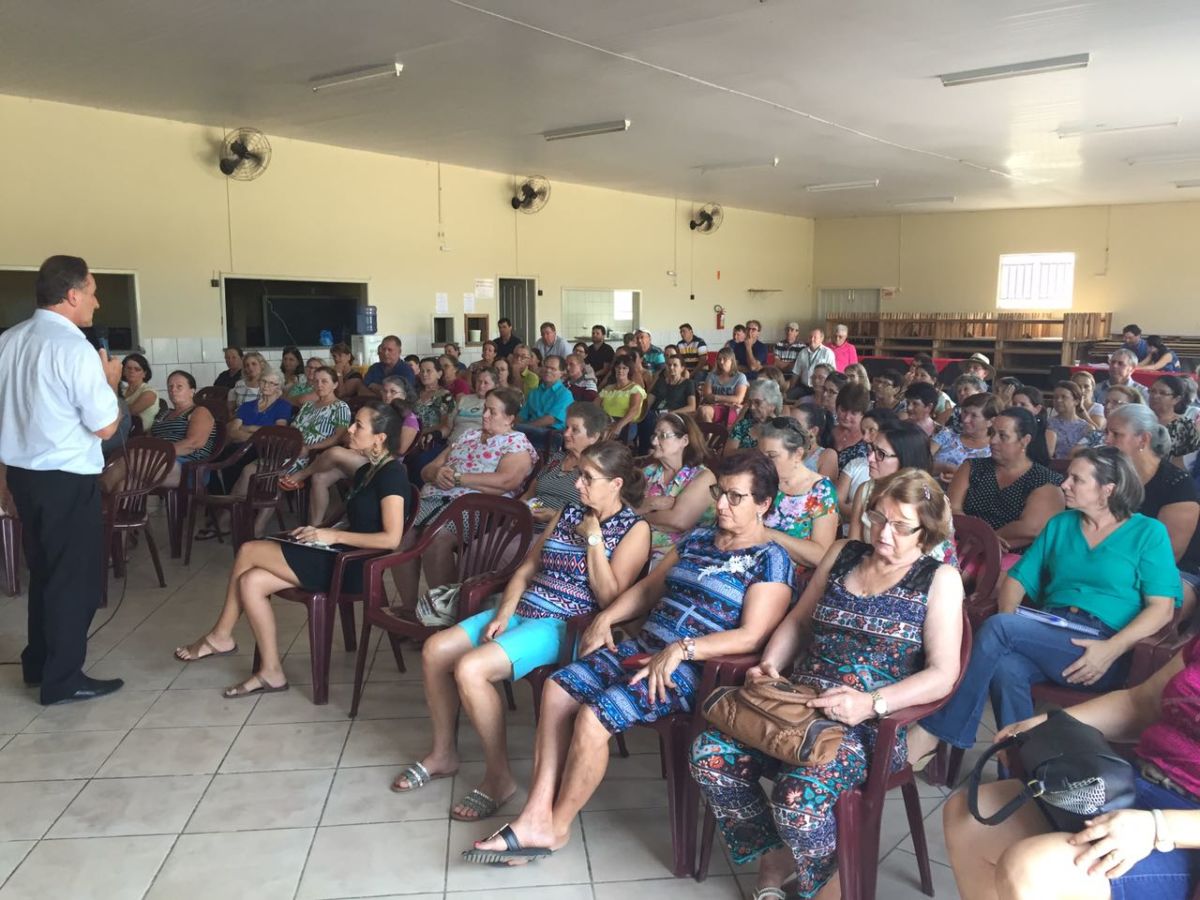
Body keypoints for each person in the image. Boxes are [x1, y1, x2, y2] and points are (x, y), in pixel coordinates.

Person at [464, 451, 795, 866]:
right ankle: (534, 811)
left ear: (764, 504)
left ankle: (555, 827)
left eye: (735, 497)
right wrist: (606, 618)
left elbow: (753, 634)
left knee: (593, 715)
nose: (722, 505)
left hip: (692, 670)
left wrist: (682, 649)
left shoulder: (771, 559)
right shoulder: (697, 539)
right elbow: (648, 590)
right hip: (645, 649)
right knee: (556, 689)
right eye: (718, 493)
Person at [691, 470, 963, 900]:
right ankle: (776, 853)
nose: (883, 533)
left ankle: (828, 881)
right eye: (878, 518)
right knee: (710, 757)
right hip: (798, 707)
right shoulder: (843, 554)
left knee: (796, 801)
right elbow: (798, 621)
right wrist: (770, 665)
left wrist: (871, 703)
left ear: (925, 532)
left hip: (866, 726)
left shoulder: (938, 580)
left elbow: (943, 674)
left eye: (900, 526)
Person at [392, 440, 650, 819]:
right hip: (524, 609)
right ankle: (444, 752)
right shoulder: (569, 511)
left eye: (588, 478)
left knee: (471, 669)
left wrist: (594, 538)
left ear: (615, 485)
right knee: (435, 651)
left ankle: (498, 778)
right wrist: (504, 611)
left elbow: (612, 598)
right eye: (579, 475)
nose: (578, 484)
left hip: (562, 624)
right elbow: (529, 567)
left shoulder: (634, 529)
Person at [908, 447, 1180, 762]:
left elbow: (1162, 609)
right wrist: (1008, 633)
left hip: (1103, 648)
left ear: (1109, 490)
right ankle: (1024, 769)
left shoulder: (1148, 532)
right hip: (1050, 631)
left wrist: (1113, 648)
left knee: (998, 630)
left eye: (1077, 479)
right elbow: (1016, 581)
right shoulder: (1062, 524)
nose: (1064, 484)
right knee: (1006, 665)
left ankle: (937, 731)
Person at [173, 402, 410, 697]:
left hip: (354, 567)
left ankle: (220, 636)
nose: (350, 429)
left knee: (248, 550)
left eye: (358, 425)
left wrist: (331, 536)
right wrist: (318, 533)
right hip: (339, 553)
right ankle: (271, 672)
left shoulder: (392, 476)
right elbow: (356, 519)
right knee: (251, 581)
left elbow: (391, 539)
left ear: (380, 438)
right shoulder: (368, 471)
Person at [942, 640, 1200, 900]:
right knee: (969, 814)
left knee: (1033, 872)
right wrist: (1041, 726)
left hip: (1186, 833)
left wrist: (1158, 827)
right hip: (1139, 780)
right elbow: (1140, 704)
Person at [0, 255, 124, 705]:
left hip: (24, 477)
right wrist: (110, 381)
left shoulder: (9, 341)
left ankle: (39, 664)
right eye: (92, 290)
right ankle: (63, 679)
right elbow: (106, 427)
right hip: (66, 478)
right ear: (72, 295)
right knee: (73, 580)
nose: (96, 299)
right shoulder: (73, 348)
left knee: (45, 573)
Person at [392, 387, 537, 608]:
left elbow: (506, 481)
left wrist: (459, 479)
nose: (485, 415)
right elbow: (427, 470)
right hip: (436, 498)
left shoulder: (516, 443)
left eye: (492, 412)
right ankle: (409, 609)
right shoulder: (468, 435)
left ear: (510, 418)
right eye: (484, 410)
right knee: (401, 537)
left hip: (478, 506)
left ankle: (444, 613)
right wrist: (437, 474)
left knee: (437, 540)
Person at [948, 407, 1064, 558]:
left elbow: (1030, 529)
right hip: (963, 543)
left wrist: (987, 540)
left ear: (1024, 441)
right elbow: (951, 509)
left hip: (1012, 554)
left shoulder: (1044, 481)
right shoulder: (972, 467)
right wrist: (976, 537)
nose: (993, 440)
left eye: (1003, 436)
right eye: (992, 433)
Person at [1105, 404, 1200, 578]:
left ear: (1143, 440)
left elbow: (1168, 554)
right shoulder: (1108, 474)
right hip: (1106, 560)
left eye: (1116, 434)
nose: (1107, 440)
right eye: (1107, 433)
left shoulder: (1177, 485)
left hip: (1168, 571)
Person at [850, 421, 958, 565]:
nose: (870, 458)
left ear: (905, 459)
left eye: (881, 454)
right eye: (871, 449)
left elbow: (930, 560)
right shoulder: (866, 490)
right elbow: (853, 548)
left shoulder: (930, 500)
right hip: (873, 569)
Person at [755, 417, 840, 570]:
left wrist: (769, 535)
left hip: (792, 577)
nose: (763, 462)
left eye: (772, 456)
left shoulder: (821, 491)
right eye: (761, 456)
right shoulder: (761, 480)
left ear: (797, 454)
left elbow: (821, 555)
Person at [638, 412, 717, 565]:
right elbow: (621, 508)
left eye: (663, 436)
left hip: (682, 555)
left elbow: (679, 520)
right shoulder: (648, 472)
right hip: (639, 548)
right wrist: (651, 504)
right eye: (654, 435)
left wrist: (640, 513)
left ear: (684, 440)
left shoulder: (703, 477)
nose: (654, 441)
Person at [519, 402, 610, 528]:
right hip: (525, 525)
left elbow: (596, 520)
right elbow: (530, 493)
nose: (566, 434)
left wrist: (555, 515)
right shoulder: (557, 458)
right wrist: (517, 513)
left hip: (560, 536)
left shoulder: (597, 471)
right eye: (566, 428)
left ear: (593, 437)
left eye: (575, 430)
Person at [150, 371, 219, 488]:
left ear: (192, 392)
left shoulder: (199, 411)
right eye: (170, 386)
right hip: (157, 461)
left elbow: (193, 443)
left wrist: (158, 453)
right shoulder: (164, 414)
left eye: (179, 386)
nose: (173, 390)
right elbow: (149, 439)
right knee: (124, 483)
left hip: (188, 467)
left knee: (132, 465)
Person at [285, 367, 352, 474]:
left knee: (272, 476)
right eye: (316, 381)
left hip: (310, 456)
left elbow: (338, 437)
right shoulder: (308, 405)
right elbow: (294, 427)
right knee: (252, 469)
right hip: (290, 449)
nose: (319, 385)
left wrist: (309, 448)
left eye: (324, 381)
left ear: (335, 384)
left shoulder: (340, 407)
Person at [837, 407, 898, 520]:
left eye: (871, 431)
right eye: (863, 432)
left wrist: (855, 509)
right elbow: (836, 502)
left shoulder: (896, 466)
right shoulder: (856, 463)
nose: (865, 438)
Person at [933, 392, 998, 482]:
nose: (966, 419)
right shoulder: (947, 434)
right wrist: (946, 467)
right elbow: (920, 461)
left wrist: (961, 478)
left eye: (974, 416)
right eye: (965, 412)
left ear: (990, 421)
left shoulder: (995, 449)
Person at [638, 354, 697, 454]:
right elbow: (648, 403)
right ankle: (644, 452)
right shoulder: (661, 382)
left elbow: (692, 407)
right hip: (656, 413)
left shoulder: (688, 383)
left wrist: (671, 413)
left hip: (675, 414)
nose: (671, 368)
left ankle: (650, 450)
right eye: (669, 365)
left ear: (682, 368)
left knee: (652, 420)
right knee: (644, 417)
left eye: (675, 365)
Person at [516, 354, 573, 448]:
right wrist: (512, 426)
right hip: (529, 432)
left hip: (550, 435)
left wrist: (524, 428)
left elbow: (550, 419)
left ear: (562, 373)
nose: (548, 371)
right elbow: (522, 415)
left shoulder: (565, 394)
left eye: (553, 369)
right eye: (546, 367)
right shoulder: (534, 392)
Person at [1077, 384, 1147, 451]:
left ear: (1133, 406)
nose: (1108, 406)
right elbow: (1073, 453)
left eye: (1116, 402)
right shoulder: (1096, 435)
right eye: (1107, 402)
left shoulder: (1138, 437)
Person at [596, 354, 646, 441]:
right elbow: (594, 405)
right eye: (618, 367)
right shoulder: (608, 388)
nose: (620, 370)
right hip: (606, 422)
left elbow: (634, 409)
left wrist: (618, 426)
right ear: (614, 369)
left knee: (605, 437)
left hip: (626, 425)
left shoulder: (635, 388)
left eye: (624, 368)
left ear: (629, 370)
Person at [1150, 374, 1200, 462]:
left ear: (1176, 399)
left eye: (1163, 393)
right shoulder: (1141, 419)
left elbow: (1192, 459)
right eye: (1152, 391)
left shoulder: (1186, 425)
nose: (1155, 396)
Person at [728, 378, 784, 453]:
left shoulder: (781, 429)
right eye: (750, 402)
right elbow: (727, 453)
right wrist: (756, 452)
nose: (752, 407)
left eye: (757, 402)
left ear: (772, 405)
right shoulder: (743, 425)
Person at [699, 347, 748, 427]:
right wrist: (728, 400)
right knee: (702, 411)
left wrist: (716, 397)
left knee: (703, 411)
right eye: (719, 359)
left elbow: (738, 399)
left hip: (732, 409)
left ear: (731, 360)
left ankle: (712, 436)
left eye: (724, 359)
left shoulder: (740, 377)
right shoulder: (712, 375)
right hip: (714, 407)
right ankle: (710, 436)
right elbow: (707, 396)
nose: (721, 362)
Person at [447, 367, 496, 445]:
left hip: (477, 448)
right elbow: (448, 427)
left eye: (486, 383)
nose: (481, 386)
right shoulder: (463, 399)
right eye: (479, 381)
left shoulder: (496, 404)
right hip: (452, 444)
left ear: (495, 385)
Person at [789, 404, 839, 480]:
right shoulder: (783, 448)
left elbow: (825, 489)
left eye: (796, 425)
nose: (789, 428)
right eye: (788, 423)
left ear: (813, 431)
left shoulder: (826, 455)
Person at [1047, 379, 1095, 458]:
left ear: (1076, 401)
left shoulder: (1086, 428)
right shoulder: (1047, 424)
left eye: (1064, 397)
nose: (1058, 400)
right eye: (1055, 397)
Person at [831, 382, 871, 470]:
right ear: (837, 407)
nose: (847, 417)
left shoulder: (867, 443)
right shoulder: (826, 431)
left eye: (853, 413)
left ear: (863, 414)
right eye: (843, 410)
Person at [1012, 384, 1058, 460]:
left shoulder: (1048, 435)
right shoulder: (1008, 431)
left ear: (1037, 409)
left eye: (1023, 405)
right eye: (1014, 404)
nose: (1017, 408)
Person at [120, 352, 158, 433]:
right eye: (128, 368)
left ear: (144, 374)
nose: (132, 371)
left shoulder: (150, 392)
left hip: (141, 437)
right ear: (123, 371)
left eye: (137, 369)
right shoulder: (122, 391)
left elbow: (130, 411)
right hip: (122, 431)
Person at [228, 350, 268, 415]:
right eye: (247, 365)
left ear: (262, 365)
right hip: (240, 421)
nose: (250, 367)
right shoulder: (240, 384)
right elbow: (231, 410)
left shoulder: (269, 384)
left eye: (254, 364)